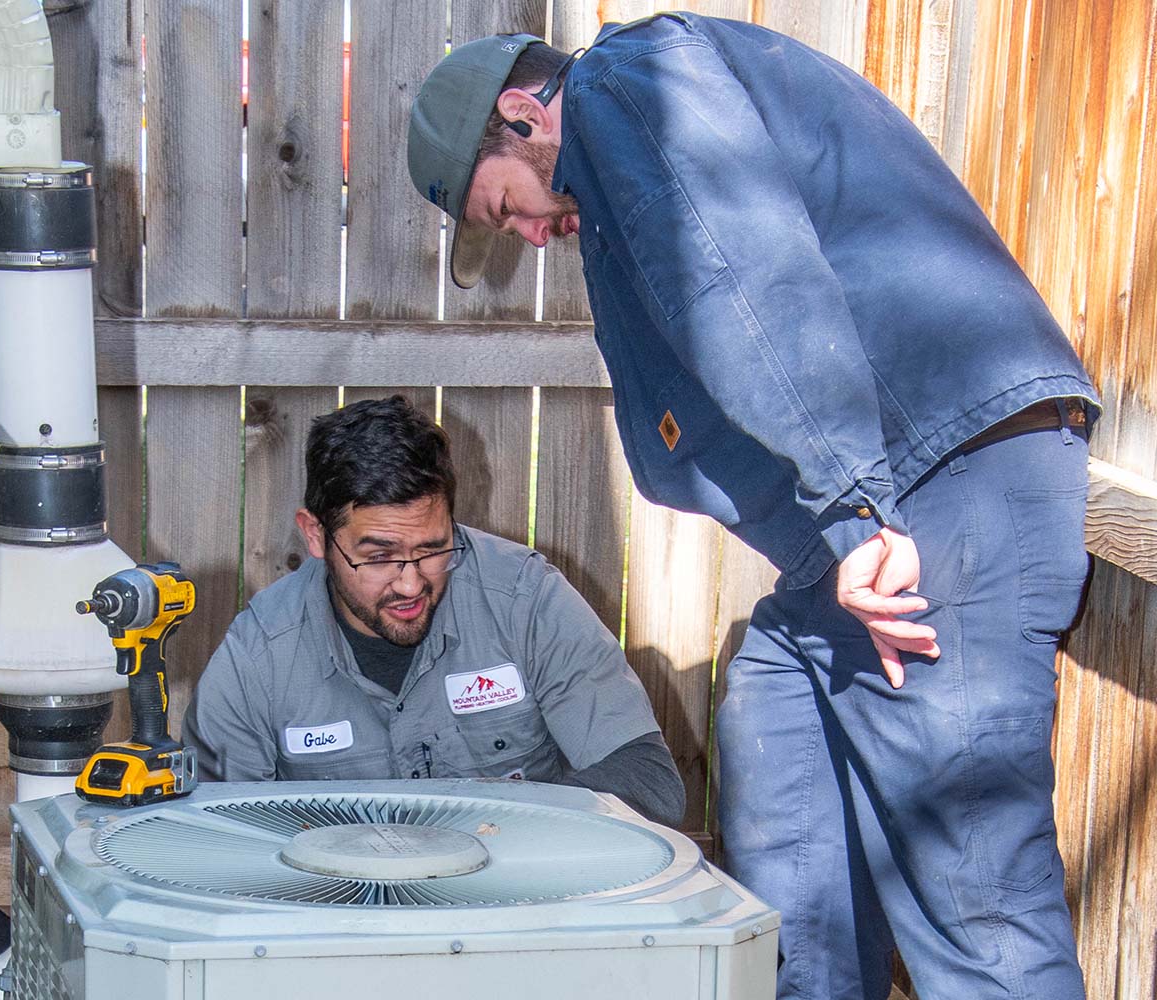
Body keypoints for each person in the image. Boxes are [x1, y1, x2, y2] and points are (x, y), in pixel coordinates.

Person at [407, 14, 1098, 1000]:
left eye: (500, 206)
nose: (526, 232)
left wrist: (854, 511)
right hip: (887, 494)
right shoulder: (626, 133)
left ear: (519, 114)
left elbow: (747, 273)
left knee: (968, 888)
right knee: (774, 714)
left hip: (938, 481)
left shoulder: (625, 83)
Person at [183, 395, 685, 828]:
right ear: (315, 535)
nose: (410, 582)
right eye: (377, 557)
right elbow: (211, 831)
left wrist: (483, 835)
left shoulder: (525, 598)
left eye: (433, 548)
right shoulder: (258, 654)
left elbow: (647, 781)